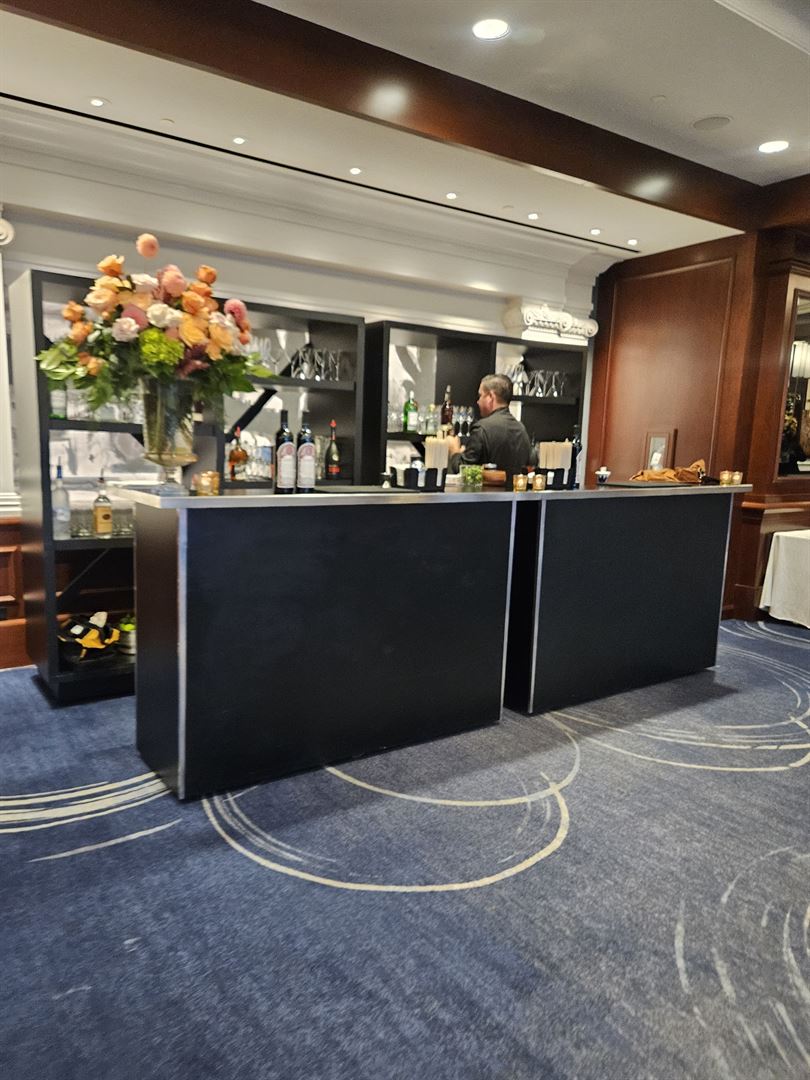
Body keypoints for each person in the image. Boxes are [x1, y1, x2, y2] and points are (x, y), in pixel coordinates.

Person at [446, 373, 533, 477]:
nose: (478, 401)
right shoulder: (521, 429)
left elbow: (465, 471)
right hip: (514, 488)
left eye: (480, 396)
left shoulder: (482, 428)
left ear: (490, 397)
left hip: (487, 487)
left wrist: (454, 451)